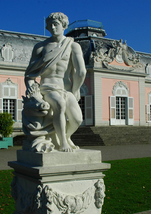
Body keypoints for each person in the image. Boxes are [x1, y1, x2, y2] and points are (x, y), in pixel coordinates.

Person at [24, 12, 86, 152]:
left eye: (56, 24)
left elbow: (81, 72)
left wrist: (75, 90)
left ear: (63, 25)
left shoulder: (72, 46)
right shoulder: (40, 47)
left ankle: (66, 136)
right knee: (59, 104)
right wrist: (34, 93)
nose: (52, 27)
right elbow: (29, 76)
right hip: (48, 87)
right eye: (50, 24)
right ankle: (63, 142)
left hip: (66, 89)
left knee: (77, 119)